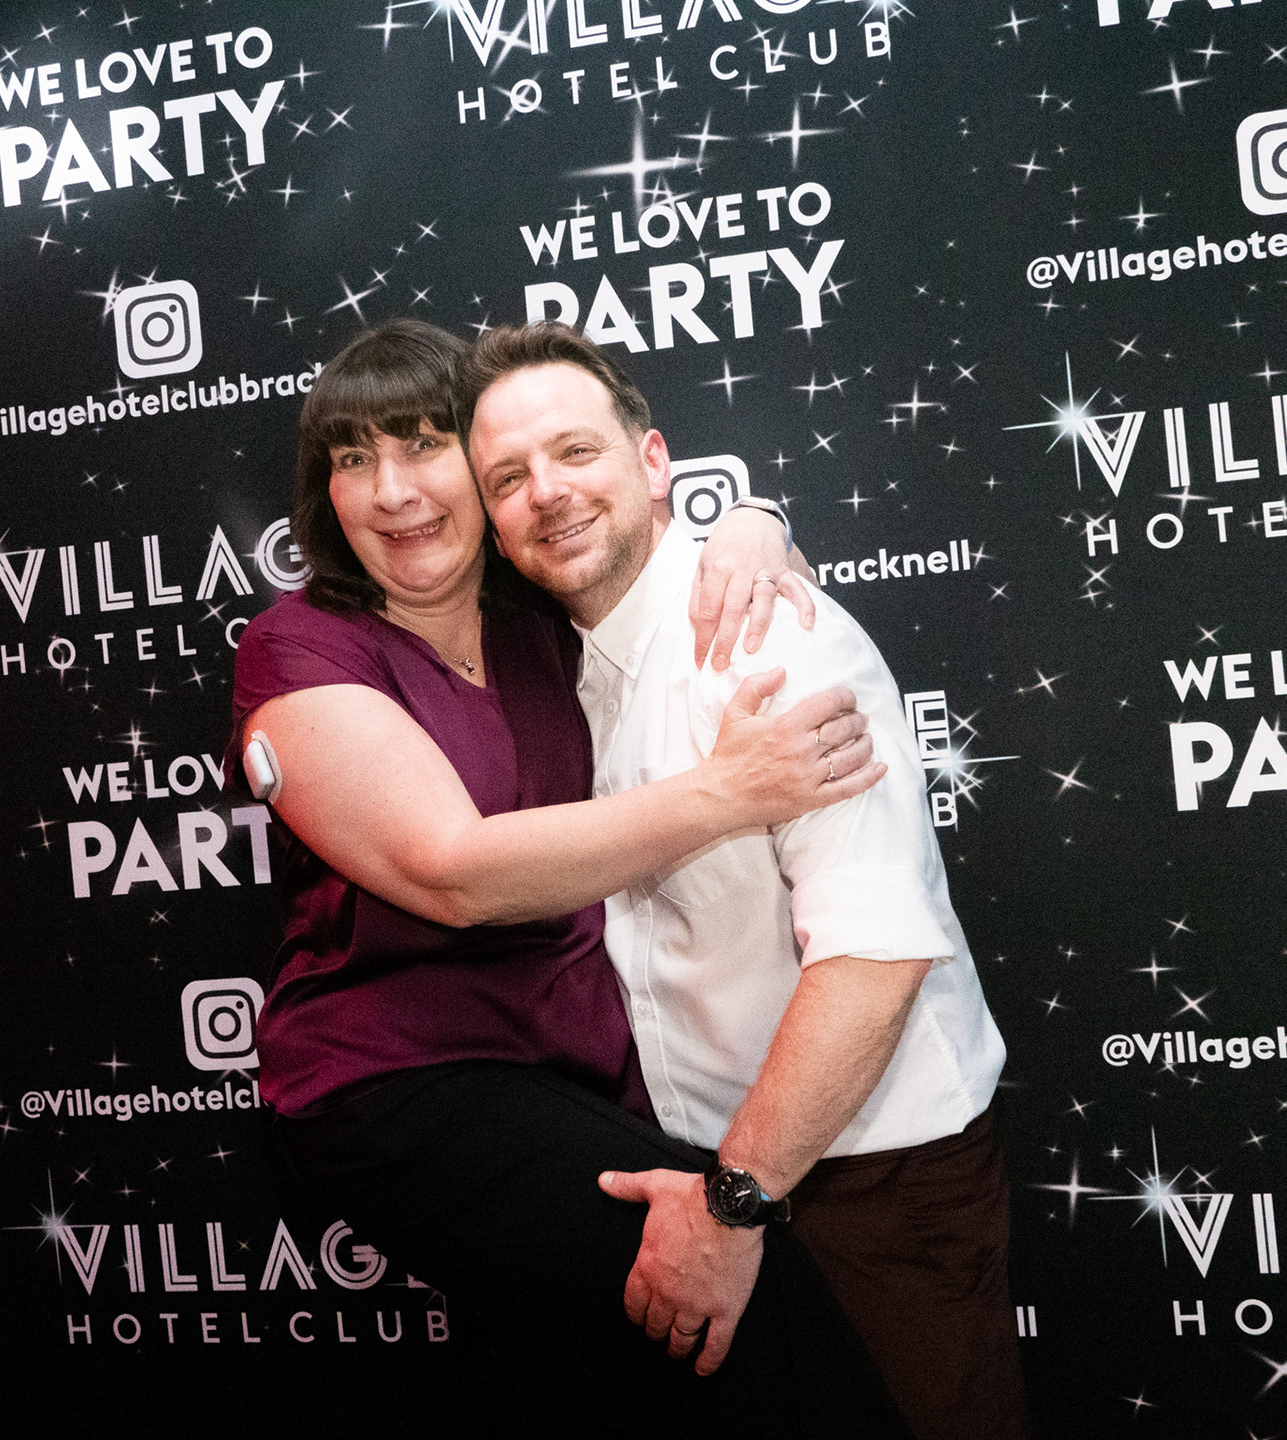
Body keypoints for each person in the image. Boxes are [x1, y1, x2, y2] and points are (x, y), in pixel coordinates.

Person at [228, 319, 902, 1434]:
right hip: (406, 1085)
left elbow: (651, 546)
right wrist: (729, 792)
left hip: (577, 1077)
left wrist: (754, 527)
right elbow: (452, 873)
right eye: (352, 458)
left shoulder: (540, 624)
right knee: (741, 1300)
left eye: (423, 444)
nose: (391, 491)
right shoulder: (302, 646)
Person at [458, 322, 1029, 1440]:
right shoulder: (553, 669)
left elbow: (874, 958)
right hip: (707, 1188)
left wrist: (731, 1205)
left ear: (654, 462)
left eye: (575, 452)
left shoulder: (768, 640)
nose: (547, 493)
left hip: (868, 1187)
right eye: (507, 478)